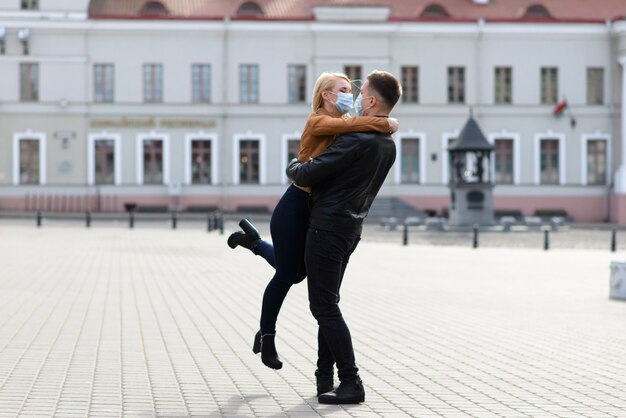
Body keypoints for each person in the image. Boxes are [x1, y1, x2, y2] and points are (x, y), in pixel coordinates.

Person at [227, 72, 398, 379]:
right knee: (288, 275)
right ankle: (267, 337)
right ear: (326, 96)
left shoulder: (348, 130)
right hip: (294, 206)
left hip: (316, 211)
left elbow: (350, 134)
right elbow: (354, 126)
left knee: (299, 271)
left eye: (353, 90)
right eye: (343, 90)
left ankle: (253, 242)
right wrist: (385, 123)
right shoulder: (319, 120)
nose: (351, 95)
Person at [286, 70, 402, 404]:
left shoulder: (355, 139)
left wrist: (293, 165)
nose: (354, 96)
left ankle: (351, 381)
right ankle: (325, 379)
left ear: (370, 100)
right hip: (351, 229)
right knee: (328, 303)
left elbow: (310, 172)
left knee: (323, 306)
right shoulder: (386, 144)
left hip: (327, 227)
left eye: (360, 91)